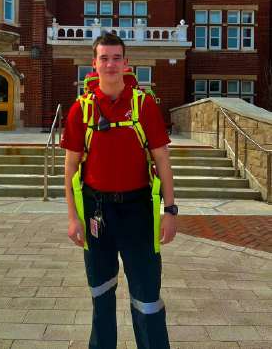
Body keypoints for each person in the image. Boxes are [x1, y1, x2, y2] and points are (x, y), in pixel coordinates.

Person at [60, 32, 177, 349]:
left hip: (138, 211)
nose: (110, 64)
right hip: (96, 212)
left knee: (147, 298)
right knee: (101, 295)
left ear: (126, 63)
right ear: (93, 64)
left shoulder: (144, 105)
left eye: (116, 57)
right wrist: (73, 218)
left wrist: (170, 211)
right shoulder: (80, 110)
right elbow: (70, 170)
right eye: (103, 58)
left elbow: (162, 161)